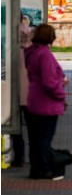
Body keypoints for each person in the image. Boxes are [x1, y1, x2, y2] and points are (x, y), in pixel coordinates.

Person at [24, 24, 70, 180]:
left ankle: (36, 168)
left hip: (35, 101)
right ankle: (42, 169)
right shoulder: (45, 55)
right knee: (44, 138)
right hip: (47, 104)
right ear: (50, 37)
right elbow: (49, 82)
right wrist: (61, 94)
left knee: (36, 138)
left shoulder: (32, 52)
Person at [10, 14, 33, 167]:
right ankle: (35, 158)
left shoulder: (8, 38)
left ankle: (19, 158)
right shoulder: (35, 43)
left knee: (15, 128)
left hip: (12, 92)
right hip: (32, 93)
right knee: (33, 128)